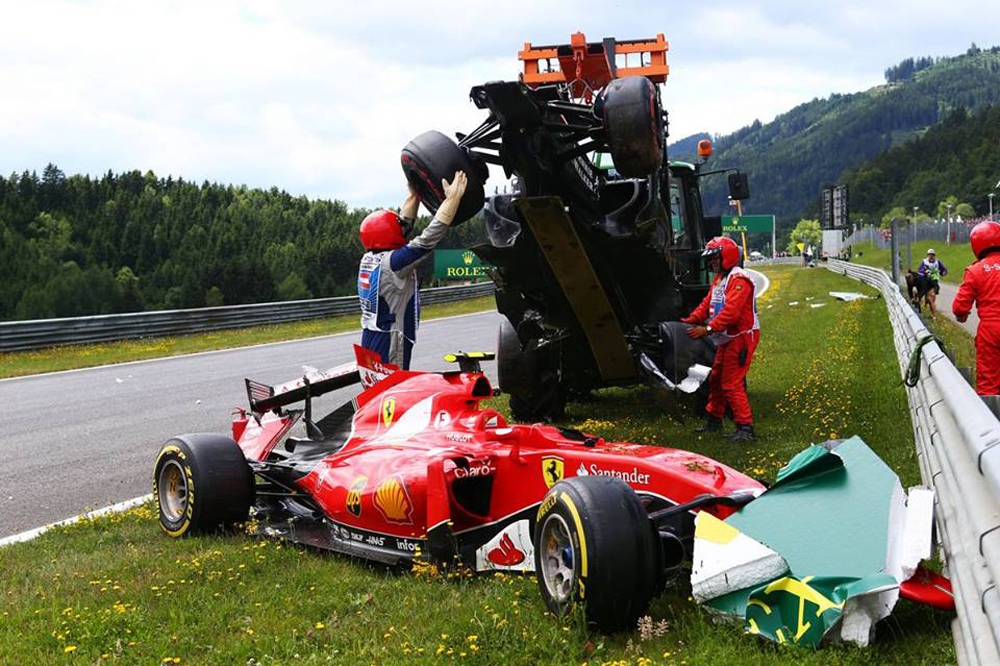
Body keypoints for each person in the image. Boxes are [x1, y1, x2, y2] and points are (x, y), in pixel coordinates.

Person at [357, 171, 468, 369]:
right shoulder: (394, 263)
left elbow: (403, 226)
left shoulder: (369, 258)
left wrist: (416, 194)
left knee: (376, 384)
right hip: (390, 339)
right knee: (394, 385)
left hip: (371, 334)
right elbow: (428, 240)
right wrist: (453, 199)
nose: (403, 229)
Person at [682, 236, 761, 441]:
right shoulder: (719, 279)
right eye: (710, 259)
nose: (712, 262)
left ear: (727, 256)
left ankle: (745, 428)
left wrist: (706, 329)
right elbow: (706, 305)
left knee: (731, 383)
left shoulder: (739, 280)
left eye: (715, 258)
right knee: (716, 379)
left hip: (741, 337)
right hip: (727, 337)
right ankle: (714, 420)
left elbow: (730, 314)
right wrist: (688, 321)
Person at [952, 221, 1000, 396]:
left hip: (990, 331)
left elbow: (959, 307)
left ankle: (990, 412)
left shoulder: (975, 270)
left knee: (989, 381)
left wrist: (962, 316)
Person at [917, 248, 948, 318]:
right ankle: (926, 306)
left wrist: (944, 272)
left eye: (932, 255)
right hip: (926, 282)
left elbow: (943, 269)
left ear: (934, 256)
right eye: (929, 255)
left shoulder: (937, 262)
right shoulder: (924, 262)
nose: (931, 256)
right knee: (927, 297)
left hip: (934, 282)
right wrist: (924, 273)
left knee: (932, 297)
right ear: (927, 255)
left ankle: (933, 314)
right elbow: (919, 271)